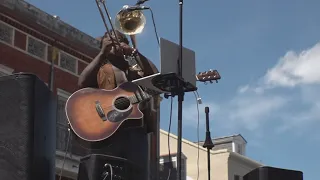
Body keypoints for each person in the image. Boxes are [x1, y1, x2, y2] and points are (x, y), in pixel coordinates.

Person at [77, 30, 159, 180]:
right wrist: (102, 53)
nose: (114, 44)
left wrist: (134, 53)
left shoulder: (134, 69)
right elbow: (82, 83)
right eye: (108, 41)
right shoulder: (101, 69)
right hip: (107, 132)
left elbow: (156, 76)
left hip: (135, 132)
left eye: (119, 40)